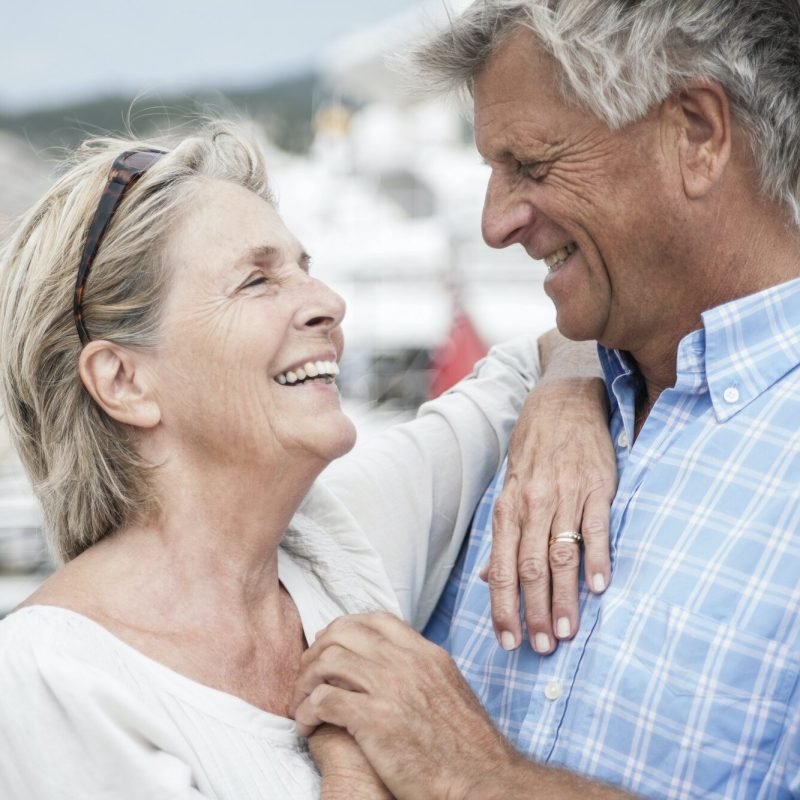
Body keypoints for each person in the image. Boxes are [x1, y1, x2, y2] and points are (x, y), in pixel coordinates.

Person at [0, 121, 612, 798]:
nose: (327, 304)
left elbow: (548, 352)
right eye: (257, 281)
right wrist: (355, 772)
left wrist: (564, 401)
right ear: (124, 381)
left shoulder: (332, 540)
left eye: (306, 269)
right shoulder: (50, 681)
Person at [292, 1, 800, 798]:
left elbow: (431, 742)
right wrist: (568, 376)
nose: (496, 223)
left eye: (530, 166)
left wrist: (475, 775)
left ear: (697, 133)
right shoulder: (539, 402)